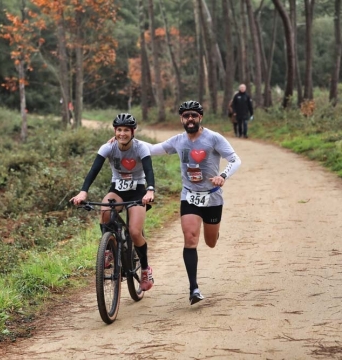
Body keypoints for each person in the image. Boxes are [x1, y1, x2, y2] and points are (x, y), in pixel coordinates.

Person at [142, 100, 241, 305]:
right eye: (186, 116)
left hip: (212, 195)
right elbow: (152, 149)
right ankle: (193, 288)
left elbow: (235, 159)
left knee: (210, 242)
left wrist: (222, 175)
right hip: (189, 196)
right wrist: (124, 141)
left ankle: (212, 230)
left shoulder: (213, 138)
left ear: (200, 118)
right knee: (190, 239)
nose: (190, 119)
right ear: (181, 119)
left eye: (193, 116)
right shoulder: (178, 141)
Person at [70, 113, 155, 291]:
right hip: (117, 189)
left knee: (134, 231)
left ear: (133, 132)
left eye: (126, 130)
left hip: (138, 191)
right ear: (115, 131)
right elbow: (94, 170)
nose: (122, 133)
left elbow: (148, 171)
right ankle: (108, 250)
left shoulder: (141, 148)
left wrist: (150, 190)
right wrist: (83, 192)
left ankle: (146, 269)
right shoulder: (108, 148)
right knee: (105, 210)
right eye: (119, 130)